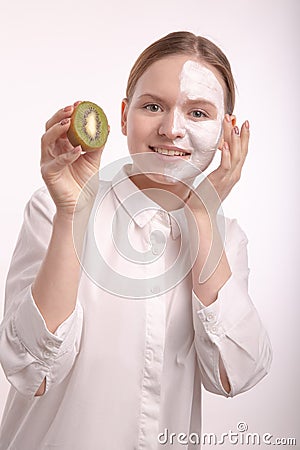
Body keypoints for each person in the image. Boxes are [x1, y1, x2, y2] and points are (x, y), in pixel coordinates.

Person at [0, 31, 272, 450]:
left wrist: (201, 214)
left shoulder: (227, 237)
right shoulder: (54, 209)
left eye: (198, 113)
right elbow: (31, 371)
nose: (171, 129)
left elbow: (234, 374)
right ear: (124, 116)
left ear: (225, 132)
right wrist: (71, 214)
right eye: (152, 107)